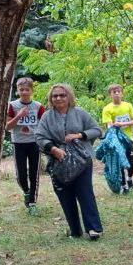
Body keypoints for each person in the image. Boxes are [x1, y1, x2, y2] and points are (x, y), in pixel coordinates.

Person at [35, 83, 103, 240]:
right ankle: (75, 230)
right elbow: (39, 137)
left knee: (85, 192)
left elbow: (97, 130)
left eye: (62, 95)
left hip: (82, 159)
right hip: (58, 161)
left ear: (69, 97)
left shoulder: (80, 113)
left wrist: (79, 135)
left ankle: (93, 228)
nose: (58, 98)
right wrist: (53, 149)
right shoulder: (47, 116)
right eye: (55, 96)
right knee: (65, 195)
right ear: (51, 98)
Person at [6, 79, 44, 211]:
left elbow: (44, 125)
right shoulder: (12, 105)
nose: (24, 92)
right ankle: (27, 192)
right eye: (21, 89)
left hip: (34, 143)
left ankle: (32, 203)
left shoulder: (38, 106)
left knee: (34, 175)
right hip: (19, 143)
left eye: (27, 89)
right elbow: (7, 127)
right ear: (17, 90)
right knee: (21, 175)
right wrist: (19, 116)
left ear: (32, 90)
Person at [100, 84, 133, 193]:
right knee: (120, 163)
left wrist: (122, 124)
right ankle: (123, 185)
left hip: (129, 139)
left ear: (122, 94)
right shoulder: (107, 109)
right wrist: (113, 126)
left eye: (118, 91)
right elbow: (109, 126)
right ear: (110, 95)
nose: (117, 93)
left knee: (130, 163)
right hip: (116, 141)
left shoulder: (128, 106)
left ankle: (129, 179)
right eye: (114, 92)